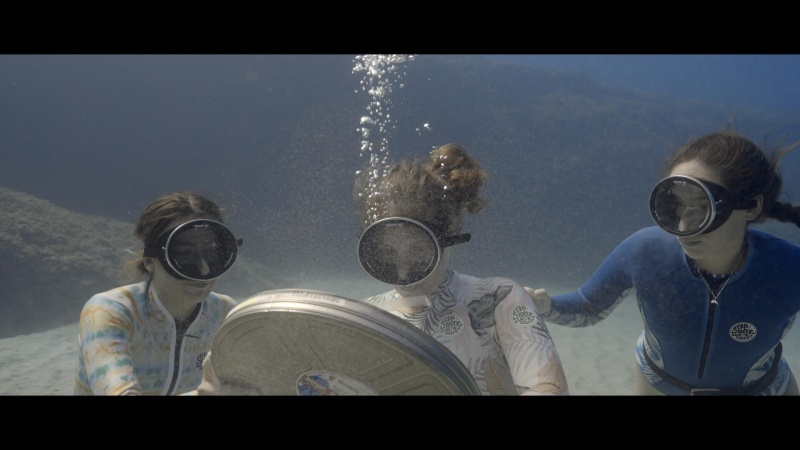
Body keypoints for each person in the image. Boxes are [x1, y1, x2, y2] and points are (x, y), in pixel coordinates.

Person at [526, 129, 800, 395]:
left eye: (703, 208)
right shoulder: (645, 252)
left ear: (751, 207)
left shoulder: (791, 267)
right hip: (660, 386)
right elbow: (588, 307)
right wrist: (544, 307)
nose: (684, 227)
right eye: (675, 207)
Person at [355, 143, 569, 395]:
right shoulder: (365, 315)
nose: (403, 273)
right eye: (388, 254)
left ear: (448, 239)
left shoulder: (501, 298)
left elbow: (549, 388)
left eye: (419, 252)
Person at [74, 191, 241, 395]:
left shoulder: (226, 314)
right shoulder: (109, 311)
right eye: (184, 254)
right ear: (149, 261)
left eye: (212, 252)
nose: (204, 270)